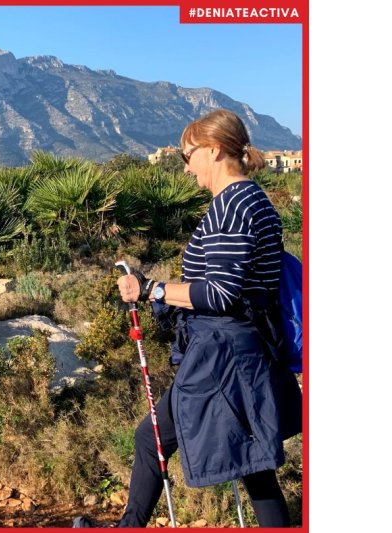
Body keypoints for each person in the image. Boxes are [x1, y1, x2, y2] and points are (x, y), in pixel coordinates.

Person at [112, 110, 302, 527]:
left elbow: (219, 292)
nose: (185, 165)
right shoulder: (253, 200)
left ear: (214, 150)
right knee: (254, 462)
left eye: (188, 154)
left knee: (153, 438)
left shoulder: (231, 207)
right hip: (244, 351)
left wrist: (152, 289)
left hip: (223, 358)